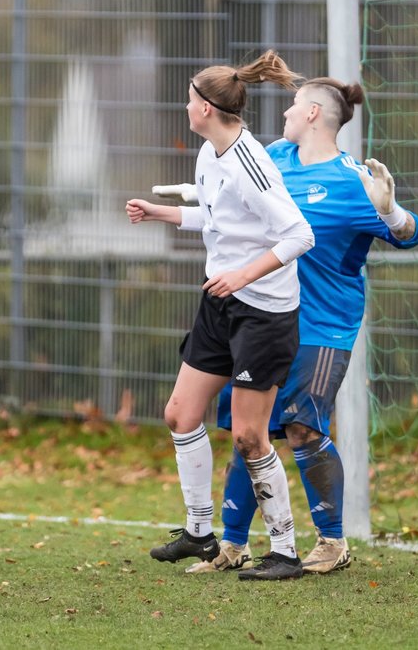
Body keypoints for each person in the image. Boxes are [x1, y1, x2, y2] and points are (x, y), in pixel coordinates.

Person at [170, 76, 418, 576]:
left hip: (325, 326)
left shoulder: (355, 179)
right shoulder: (275, 158)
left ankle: (332, 542)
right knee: (251, 430)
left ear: (313, 113)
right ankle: (234, 544)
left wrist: (391, 212)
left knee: (303, 426)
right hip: (261, 318)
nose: (284, 112)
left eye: (292, 105)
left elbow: (411, 236)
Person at [126, 50, 315, 581]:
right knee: (181, 414)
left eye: (190, 100)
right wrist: (159, 213)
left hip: (264, 313)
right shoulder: (210, 153)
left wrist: (243, 276)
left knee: (250, 438)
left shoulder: (252, 164)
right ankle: (200, 534)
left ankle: (285, 552)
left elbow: (300, 235)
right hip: (220, 301)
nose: (186, 107)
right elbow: (216, 218)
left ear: (207, 108)